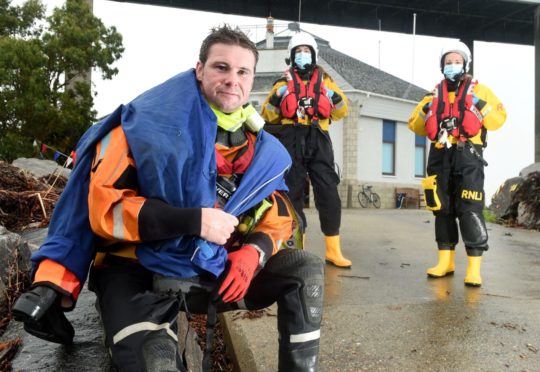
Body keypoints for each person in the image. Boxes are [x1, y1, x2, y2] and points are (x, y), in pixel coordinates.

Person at [12, 25, 324, 371]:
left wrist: (255, 251)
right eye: (221, 67)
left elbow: (278, 210)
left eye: (242, 71)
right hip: (137, 270)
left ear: (251, 79)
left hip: (209, 268)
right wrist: (193, 220)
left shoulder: (259, 147)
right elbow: (104, 208)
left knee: (304, 269)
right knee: (155, 361)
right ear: (199, 69)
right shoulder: (140, 127)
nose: (232, 80)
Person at [408, 40, 507, 287]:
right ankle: (445, 261)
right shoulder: (433, 94)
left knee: (470, 208)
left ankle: (474, 267)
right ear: (442, 66)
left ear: (465, 63)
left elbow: (499, 118)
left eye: (457, 61)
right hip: (440, 156)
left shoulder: (480, 91)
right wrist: (427, 110)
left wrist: (480, 106)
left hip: (468, 156)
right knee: (442, 209)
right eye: (448, 62)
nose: (452, 66)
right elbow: (415, 125)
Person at [261, 31, 352, 268]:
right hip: (291, 139)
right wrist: (278, 97)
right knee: (292, 193)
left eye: (306, 52)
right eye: (298, 52)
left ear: (314, 55)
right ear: (292, 56)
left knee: (328, 191)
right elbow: (267, 115)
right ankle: (296, 246)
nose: (302, 56)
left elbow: (342, 111)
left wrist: (330, 95)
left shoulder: (326, 82)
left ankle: (333, 249)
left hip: (318, 138)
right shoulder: (282, 83)